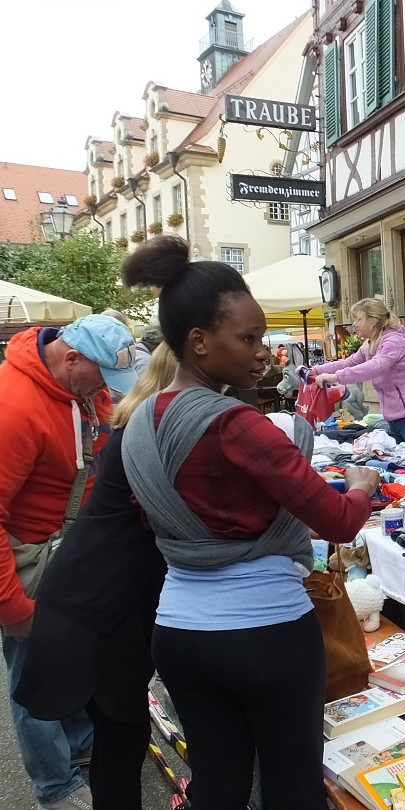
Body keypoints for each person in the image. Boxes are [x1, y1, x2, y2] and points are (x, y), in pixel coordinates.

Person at [119, 235, 381, 809]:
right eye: (249, 338)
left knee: (218, 783)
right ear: (199, 343)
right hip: (265, 634)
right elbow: (336, 521)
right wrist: (360, 488)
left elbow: (160, 517)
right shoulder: (236, 423)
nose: (264, 352)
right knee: (291, 787)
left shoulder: (140, 424)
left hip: (180, 631)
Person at [15, 344, 177, 810]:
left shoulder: (137, 426)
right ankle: (59, 788)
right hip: (96, 616)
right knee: (121, 735)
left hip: (98, 606)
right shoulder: (150, 434)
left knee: (118, 736)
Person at [0, 313, 138, 810]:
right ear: (72, 357)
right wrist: (12, 606)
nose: (108, 390)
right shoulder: (14, 405)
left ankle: (79, 747)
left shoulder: (80, 387)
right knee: (35, 678)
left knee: (76, 657)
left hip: (71, 549)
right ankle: (54, 786)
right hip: (32, 555)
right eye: (102, 377)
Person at [312, 299, 405, 446]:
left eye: (358, 319)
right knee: (404, 467)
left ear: (372, 321)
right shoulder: (370, 344)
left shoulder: (393, 341)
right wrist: (315, 370)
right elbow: (349, 362)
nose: (354, 324)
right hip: (397, 418)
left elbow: (376, 366)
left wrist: (336, 377)